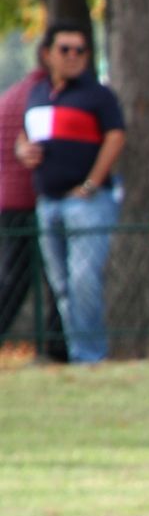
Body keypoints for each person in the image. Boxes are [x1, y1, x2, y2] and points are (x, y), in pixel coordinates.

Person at [16, 20, 124, 363]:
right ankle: (80, 352)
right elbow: (26, 136)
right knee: (61, 285)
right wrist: (23, 151)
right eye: (66, 49)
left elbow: (116, 136)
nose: (74, 56)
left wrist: (92, 182)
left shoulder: (98, 95)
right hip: (48, 202)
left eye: (80, 50)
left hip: (87, 203)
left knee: (83, 278)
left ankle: (92, 354)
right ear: (48, 54)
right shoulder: (38, 94)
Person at [0, 41, 65, 361]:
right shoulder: (41, 97)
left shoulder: (11, 95)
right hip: (32, 196)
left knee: (14, 275)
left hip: (9, 198)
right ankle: (56, 344)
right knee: (52, 276)